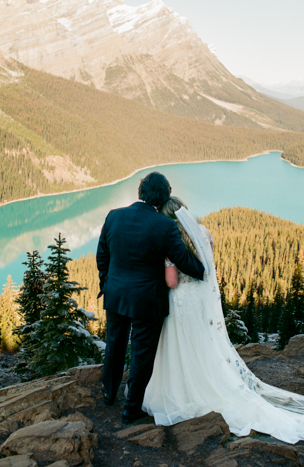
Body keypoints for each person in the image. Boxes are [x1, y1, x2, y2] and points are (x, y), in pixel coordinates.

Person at [143, 197, 304, 444]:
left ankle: (187, 388)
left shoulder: (170, 241)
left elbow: (171, 281)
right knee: (203, 345)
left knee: (183, 347)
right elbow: (208, 267)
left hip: (181, 301)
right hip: (200, 300)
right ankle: (208, 380)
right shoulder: (202, 232)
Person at [96, 173, 205, 425]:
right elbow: (181, 258)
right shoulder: (164, 225)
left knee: (115, 345)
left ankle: (108, 395)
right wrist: (204, 271)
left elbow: (102, 254)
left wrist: (107, 283)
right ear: (164, 196)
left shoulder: (113, 215)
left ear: (140, 191)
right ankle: (131, 409)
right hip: (147, 300)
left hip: (116, 295)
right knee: (141, 355)